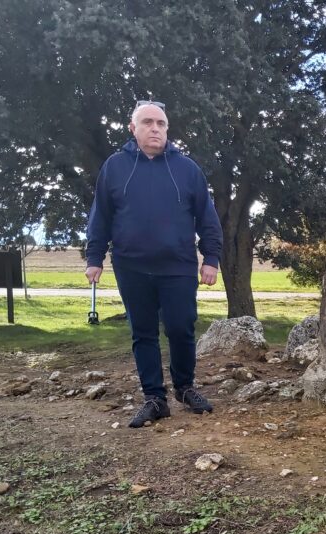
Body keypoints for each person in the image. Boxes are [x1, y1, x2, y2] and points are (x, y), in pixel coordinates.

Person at [84, 100, 223, 428]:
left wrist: (211, 259)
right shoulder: (115, 167)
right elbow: (100, 215)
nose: (155, 129)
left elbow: (207, 217)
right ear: (133, 129)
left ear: (167, 129)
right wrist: (94, 258)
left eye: (161, 123)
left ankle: (186, 389)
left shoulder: (187, 169)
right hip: (131, 266)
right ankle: (154, 398)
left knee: (180, 327)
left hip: (177, 265)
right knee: (142, 332)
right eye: (147, 122)